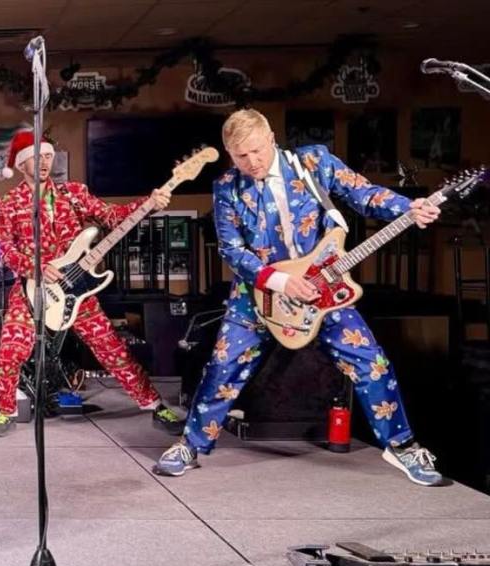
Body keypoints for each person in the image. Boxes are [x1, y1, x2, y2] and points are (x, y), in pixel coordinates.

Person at [153, 109, 444, 486]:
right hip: (257, 294)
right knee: (222, 368)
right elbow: (231, 250)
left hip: (322, 288)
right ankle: (190, 445)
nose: (252, 162)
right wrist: (279, 281)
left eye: (257, 151)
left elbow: (363, 193)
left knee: (371, 362)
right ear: (230, 155)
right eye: (241, 156)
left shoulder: (313, 162)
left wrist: (408, 208)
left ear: (271, 139)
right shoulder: (227, 186)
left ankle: (402, 446)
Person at [0, 129, 183, 437]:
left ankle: (156, 406)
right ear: (22, 164)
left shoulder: (74, 193)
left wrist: (149, 203)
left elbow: (112, 216)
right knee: (10, 350)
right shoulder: (9, 203)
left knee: (113, 350)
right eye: (36, 157)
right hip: (31, 290)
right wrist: (36, 268)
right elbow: (6, 250)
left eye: (48, 156)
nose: (44, 162)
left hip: (78, 290)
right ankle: (5, 411)